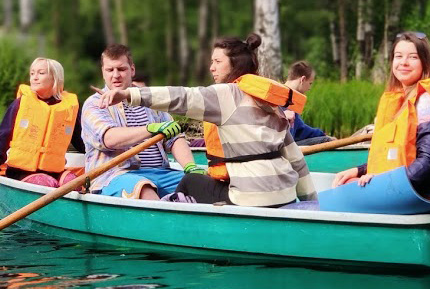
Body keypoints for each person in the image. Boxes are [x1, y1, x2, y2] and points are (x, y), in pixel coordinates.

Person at [97, 34, 317, 207]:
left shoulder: (226, 94)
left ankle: (184, 233)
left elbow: (181, 97)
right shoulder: (271, 100)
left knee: (189, 182)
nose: (211, 67)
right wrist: (310, 202)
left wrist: (129, 95)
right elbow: (296, 158)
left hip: (253, 198)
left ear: (235, 64)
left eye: (217, 61)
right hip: (285, 195)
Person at [331, 32, 430, 200]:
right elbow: (398, 156)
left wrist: (383, 182)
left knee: (349, 188)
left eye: (413, 57)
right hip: (415, 185)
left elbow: (429, 160)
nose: (404, 63)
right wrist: (360, 170)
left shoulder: (428, 101)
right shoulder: (399, 99)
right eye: (398, 56)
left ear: (425, 62)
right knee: (347, 181)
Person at [81, 44, 199, 200]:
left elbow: (175, 138)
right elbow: (109, 138)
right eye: (110, 70)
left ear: (132, 70)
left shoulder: (150, 100)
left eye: (121, 69)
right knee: (143, 188)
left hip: (161, 173)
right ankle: (167, 220)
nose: (116, 75)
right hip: (114, 176)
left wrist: (190, 167)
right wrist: (150, 129)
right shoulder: (94, 104)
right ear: (103, 72)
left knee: (202, 184)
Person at [0, 57, 80, 185]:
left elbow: (81, 141)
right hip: (21, 171)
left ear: (55, 78)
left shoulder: (68, 108)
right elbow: (2, 138)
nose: (34, 77)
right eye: (32, 73)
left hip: (54, 171)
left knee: (74, 183)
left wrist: (104, 152)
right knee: (47, 183)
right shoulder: (20, 104)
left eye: (41, 73)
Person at [283, 61, 335, 146]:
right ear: (303, 79)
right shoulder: (283, 97)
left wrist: (322, 134)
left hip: (287, 143)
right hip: (284, 146)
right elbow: (302, 130)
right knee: (326, 141)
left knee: (325, 138)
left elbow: (300, 129)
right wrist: (326, 137)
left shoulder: (288, 96)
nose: (309, 88)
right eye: (310, 83)